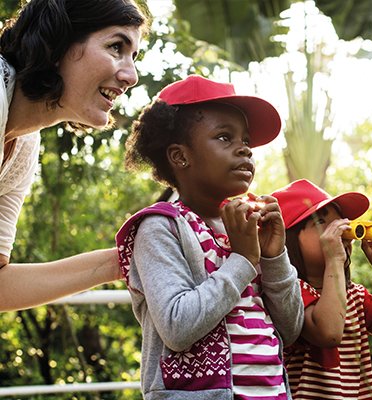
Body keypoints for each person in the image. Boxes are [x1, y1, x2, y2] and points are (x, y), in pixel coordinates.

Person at [116, 74, 304, 399]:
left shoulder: (248, 226)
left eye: (245, 140)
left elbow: (290, 329)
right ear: (180, 156)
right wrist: (243, 259)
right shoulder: (159, 228)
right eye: (224, 138)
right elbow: (177, 327)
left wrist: (274, 257)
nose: (245, 149)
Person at [0, 0, 148, 311]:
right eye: (115, 47)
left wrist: (124, 258)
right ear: (58, 43)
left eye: (134, 56)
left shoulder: (24, 144)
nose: (131, 76)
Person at [271, 179, 372, 399]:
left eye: (341, 221)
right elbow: (329, 333)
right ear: (287, 239)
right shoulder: (289, 292)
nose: (340, 230)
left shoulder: (356, 297)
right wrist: (334, 260)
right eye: (321, 221)